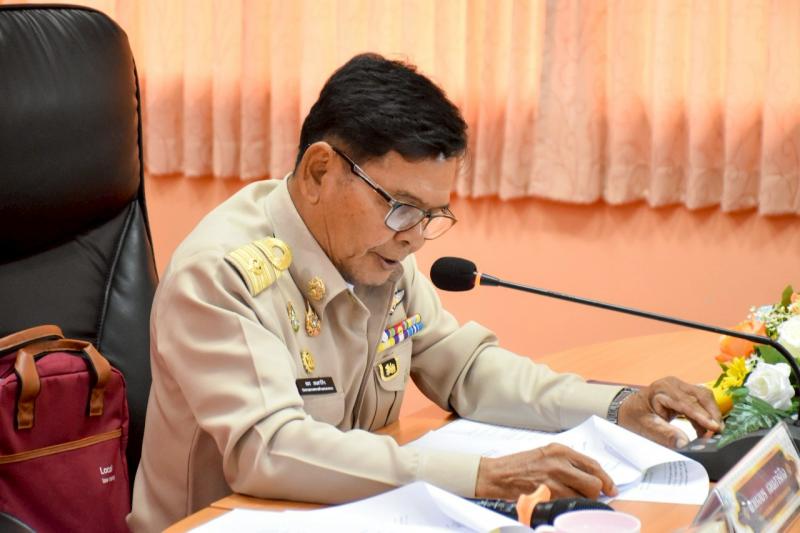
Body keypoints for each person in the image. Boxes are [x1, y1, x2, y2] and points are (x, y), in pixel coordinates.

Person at [128, 53, 721, 531]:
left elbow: (468, 370)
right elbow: (272, 449)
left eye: (432, 214)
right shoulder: (222, 274)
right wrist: (483, 475)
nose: (414, 237)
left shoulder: (377, 256)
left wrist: (618, 406)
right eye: (401, 207)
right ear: (318, 172)